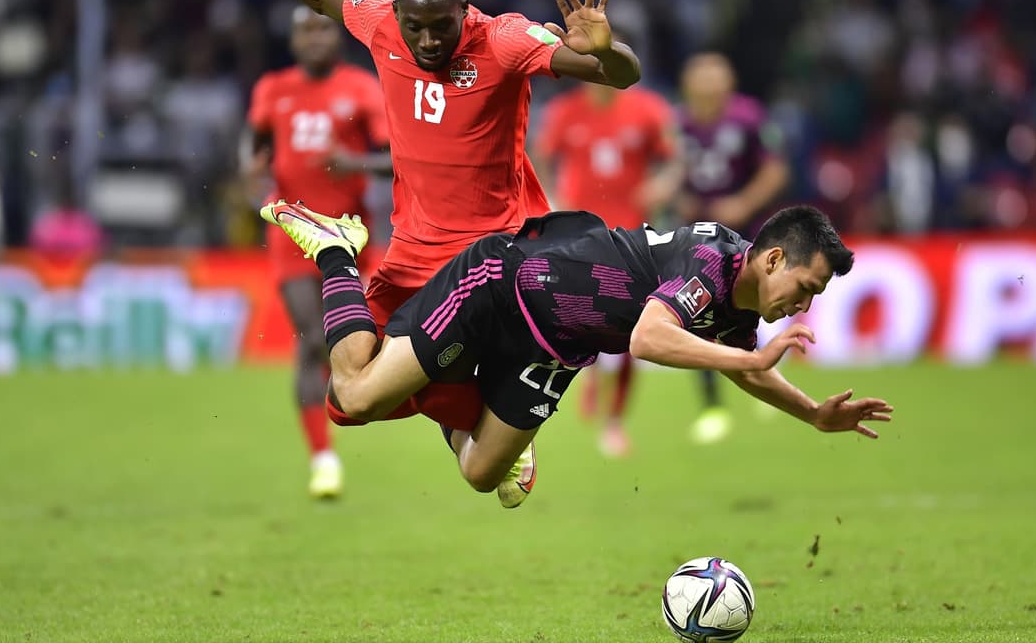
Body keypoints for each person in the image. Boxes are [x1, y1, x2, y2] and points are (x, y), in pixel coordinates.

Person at [212, 0, 641, 497]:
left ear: (463, 8)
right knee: (347, 396)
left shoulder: (504, 41)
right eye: (414, 25)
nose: (427, 39)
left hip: (491, 263)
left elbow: (621, 76)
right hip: (413, 258)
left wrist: (606, 49)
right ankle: (471, 399)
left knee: (474, 467)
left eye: (441, 26)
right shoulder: (380, 22)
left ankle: (493, 407)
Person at [259, 198, 893, 508]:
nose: (803, 306)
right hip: (500, 289)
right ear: (774, 258)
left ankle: (442, 382)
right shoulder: (709, 261)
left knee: (482, 473)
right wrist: (751, 361)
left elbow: (745, 367)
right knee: (355, 394)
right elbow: (648, 337)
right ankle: (338, 249)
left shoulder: (741, 302)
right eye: (805, 289)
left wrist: (811, 412)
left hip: (556, 348)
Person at [244, 5, 390, 499]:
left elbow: (396, 158)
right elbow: (256, 146)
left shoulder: (361, 88)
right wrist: (252, 170)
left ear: (338, 35)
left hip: (350, 236)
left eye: (323, 28)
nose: (315, 38)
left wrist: (356, 162)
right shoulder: (273, 89)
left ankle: (352, 406)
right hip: (291, 234)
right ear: (293, 40)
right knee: (313, 342)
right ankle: (323, 458)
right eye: (305, 30)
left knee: (359, 344)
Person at [533, 78, 678, 456]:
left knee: (633, 329)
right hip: (581, 235)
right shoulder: (565, 111)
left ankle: (614, 421)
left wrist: (662, 185)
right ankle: (592, 375)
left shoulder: (647, 109)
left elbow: (675, 157)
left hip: (632, 237)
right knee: (583, 319)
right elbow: (541, 154)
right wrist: (552, 196)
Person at [669, 52, 791, 444]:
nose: (707, 84)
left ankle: (771, 381)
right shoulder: (676, 123)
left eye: (714, 76)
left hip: (747, 233)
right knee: (698, 318)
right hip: (698, 239)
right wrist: (678, 199)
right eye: (700, 76)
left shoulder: (749, 117)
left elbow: (776, 169)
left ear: (729, 80)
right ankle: (712, 405)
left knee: (764, 306)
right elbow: (663, 172)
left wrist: (744, 203)